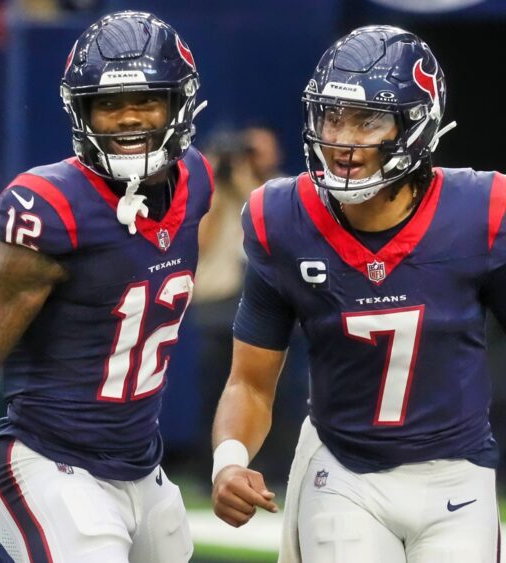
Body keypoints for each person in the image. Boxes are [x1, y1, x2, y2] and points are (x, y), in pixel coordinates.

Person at [210, 25, 503, 562]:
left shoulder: (482, 211)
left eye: (368, 120)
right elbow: (250, 382)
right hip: (342, 472)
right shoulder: (283, 218)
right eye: (332, 116)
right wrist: (229, 459)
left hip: (456, 476)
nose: (343, 140)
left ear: (417, 123)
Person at [0, 11, 213, 562]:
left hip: (142, 464)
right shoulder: (50, 206)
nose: (128, 118)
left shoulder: (196, 182)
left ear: (177, 104)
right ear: (82, 112)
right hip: (52, 459)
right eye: (109, 104)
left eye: (146, 100)